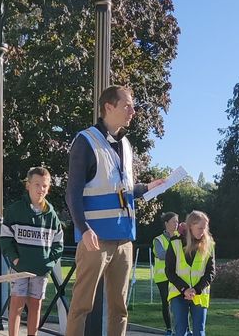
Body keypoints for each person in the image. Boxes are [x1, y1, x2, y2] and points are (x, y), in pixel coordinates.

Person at [65, 85, 165, 336]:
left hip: (124, 239)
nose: (133, 111)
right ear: (109, 107)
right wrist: (83, 229)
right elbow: (72, 193)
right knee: (81, 305)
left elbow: (123, 189)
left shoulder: (127, 145)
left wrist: (147, 187)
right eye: (127, 105)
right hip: (94, 239)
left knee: (120, 308)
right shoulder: (85, 141)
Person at [0, 167, 64, 336]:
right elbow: (5, 239)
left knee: (35, 307)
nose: (40, 189)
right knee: (16, 306)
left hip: (41, 271)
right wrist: (14, 260)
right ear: (28, 185)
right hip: (19, 269)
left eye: (44, 185)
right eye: (37, 184)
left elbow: (58, 244)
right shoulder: (15, 210)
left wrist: (48, 263)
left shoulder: (52, 216)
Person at [166, 210, 215, 336]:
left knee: (199, 331)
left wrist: (196, 290)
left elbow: (211, 271)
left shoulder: (209, 244)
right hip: (178, 292)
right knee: (180, 331)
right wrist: (184, 289)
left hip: (199, 293)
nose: (202, 231)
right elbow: (169, 271)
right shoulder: (175, 242)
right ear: (190, 226)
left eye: (205, 228)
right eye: (199, 228)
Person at [153, 212, 179, 336]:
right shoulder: (158, 240)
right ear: (166, 223)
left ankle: (185, 329)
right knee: (166, 302)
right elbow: (161, 255)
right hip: (162, 277)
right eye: (174, 221)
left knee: (182, 302)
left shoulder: (181, 237)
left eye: (177, 222)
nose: (176, 224)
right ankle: (169, 329)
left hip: (179, 276)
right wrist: (176, 254)